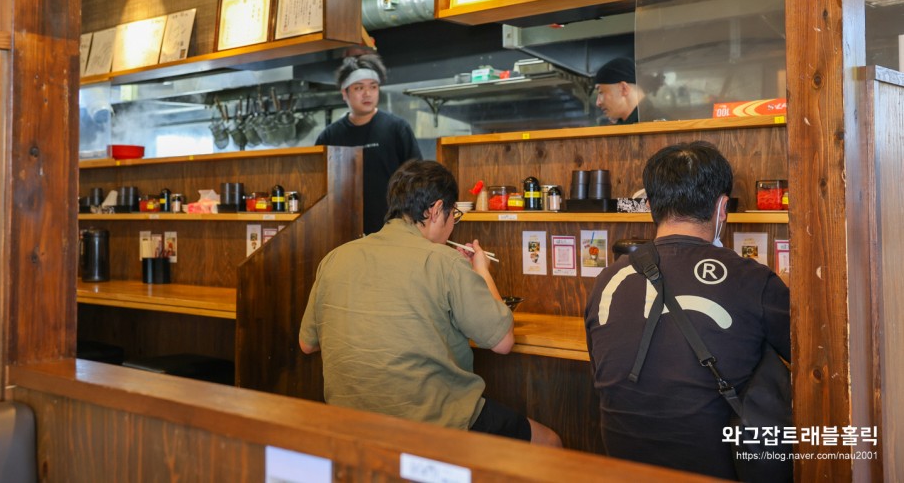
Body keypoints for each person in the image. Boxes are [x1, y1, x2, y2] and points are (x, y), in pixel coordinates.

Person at [299, 159, 562, 447]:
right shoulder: (444, 261)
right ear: (436, 210)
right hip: (432, 426)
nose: (452, 225)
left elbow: (308, 344)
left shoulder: (336, 257)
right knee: (549, 442)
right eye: (454, 216)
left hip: (352, 424)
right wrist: (482, 271)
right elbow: (502, 342)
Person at [584, 141, 790, 479]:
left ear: (649, 205)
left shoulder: (608, 278)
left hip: (623, 467)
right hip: (720, 469)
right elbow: (815, 361)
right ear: (722, 207)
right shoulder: (753, 280)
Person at [315, 51, 421, 234]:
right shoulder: (329, 137)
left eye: (373, 87)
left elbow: (418, 178)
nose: (367, 94)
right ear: (344, 93)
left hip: (392, 228)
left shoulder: (397, 128)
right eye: (358, 88)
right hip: (342, 228)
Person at [593, 57, 647, 124]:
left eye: (600, 92)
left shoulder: (654, 125)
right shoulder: (626, 126)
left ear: (623, 89)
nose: (598, 103)